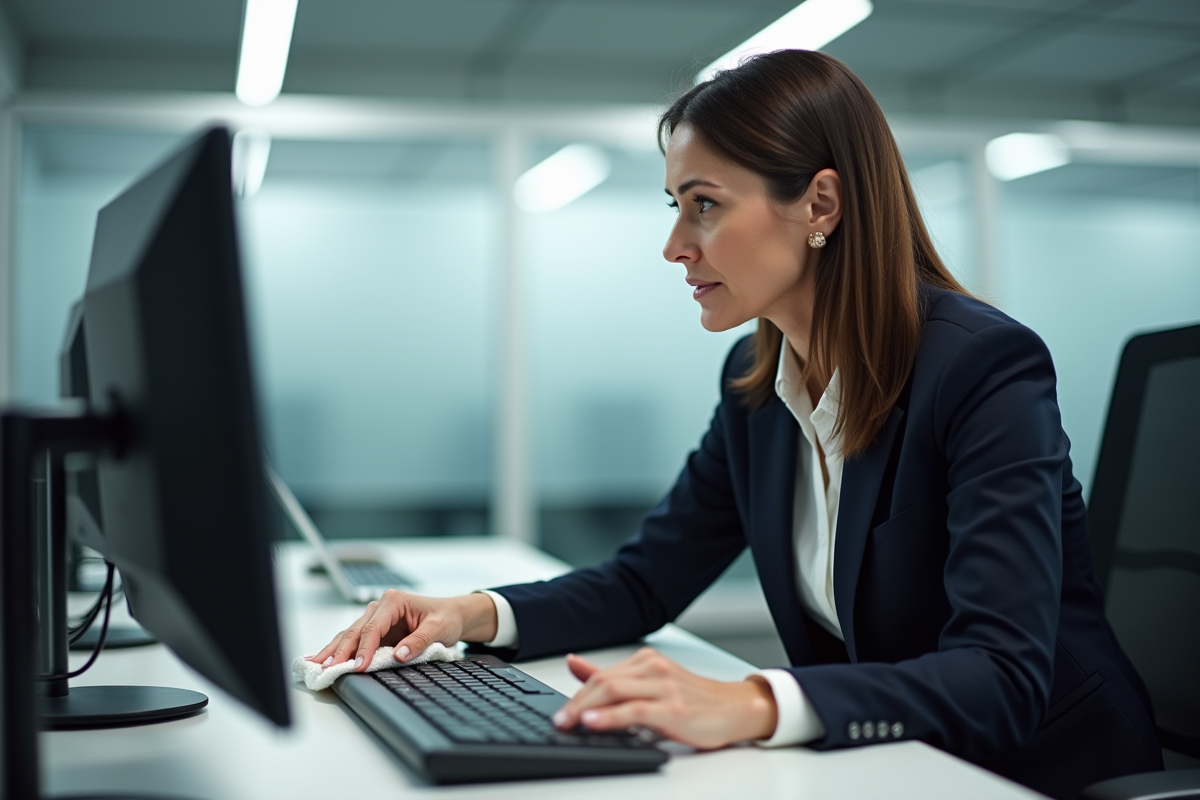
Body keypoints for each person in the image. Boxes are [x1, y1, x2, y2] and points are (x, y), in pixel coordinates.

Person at [309, 50, 1161, 799]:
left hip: (1039, 770)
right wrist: (466, 615)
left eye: (705, 204)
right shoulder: (757, 385)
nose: (675, 244)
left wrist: (749, 702)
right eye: (676, 205)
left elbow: (1002, 676)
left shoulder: (981, 367)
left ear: (820, 203)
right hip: (886, 763)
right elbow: (646, 582)